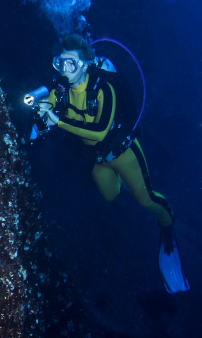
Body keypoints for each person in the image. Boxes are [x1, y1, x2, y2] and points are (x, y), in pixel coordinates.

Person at [36, 34, 190, 293]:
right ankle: (129, 183)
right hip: (99, 160)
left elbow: (98, 131)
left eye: (71, 64)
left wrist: (57, 121)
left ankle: (167, 225)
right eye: (60, 63)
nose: (64, 70)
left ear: (85, 64)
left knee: (147, 200)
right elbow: (46, 110)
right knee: (110, 196)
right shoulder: (59, 91)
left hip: (123, 151)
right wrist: (39, 116)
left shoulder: (104, 88)